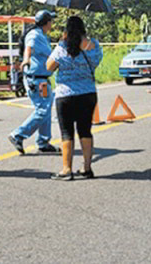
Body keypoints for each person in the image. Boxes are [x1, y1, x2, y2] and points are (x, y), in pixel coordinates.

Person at [46, 16, 103, 180]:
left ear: (67, 30)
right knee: (85, 131)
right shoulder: (93, 45)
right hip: (88, 94)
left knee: (66, 132)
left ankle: (66, 169)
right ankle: (87, 168)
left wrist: (60, 44)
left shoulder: (63, 47)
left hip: (66, 95)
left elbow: (49, 67)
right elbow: (96, 62)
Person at [8, 10, 60, 155]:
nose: (52, 23)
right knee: (42, 110)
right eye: (51, 21)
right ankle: (18, 135)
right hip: (36, 79)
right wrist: (26, 60)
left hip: (42, 78)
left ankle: (43, 142)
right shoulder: (34, 35)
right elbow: (29, 48)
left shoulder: (42, 35)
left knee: (46, 109)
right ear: (47, 22)